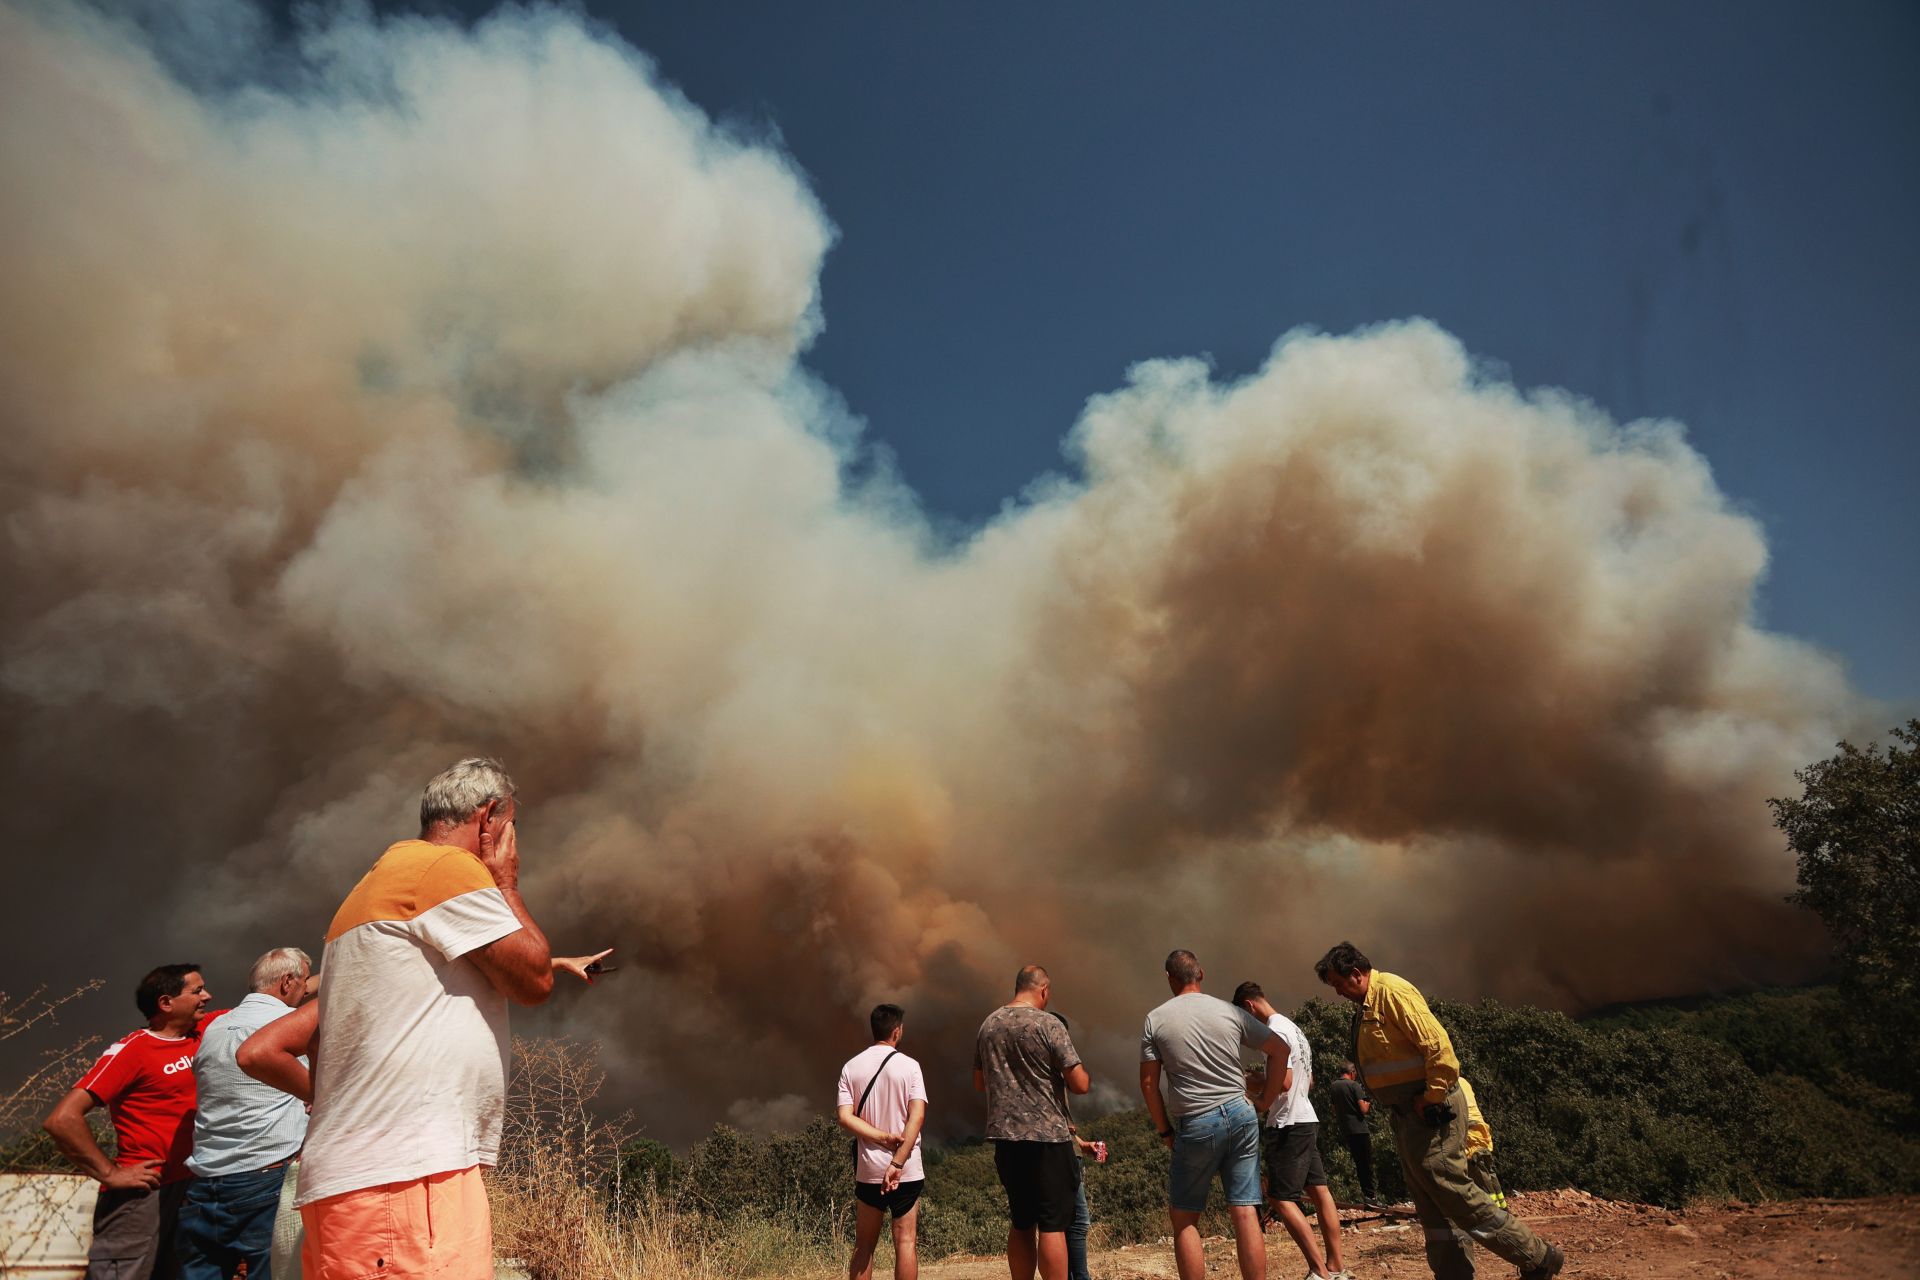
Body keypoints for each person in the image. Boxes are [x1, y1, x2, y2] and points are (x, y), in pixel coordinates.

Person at [236, 757, 608, 1280]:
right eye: (513, 826)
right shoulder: (444, 870)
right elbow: (531, 983)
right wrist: (505, 883)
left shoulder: (374, 889)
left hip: (365, 1180)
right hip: (406, 1179)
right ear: (490, 817)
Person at [1315, 942, 1564, 1280]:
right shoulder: (1367, 1004)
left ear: (1356, 974)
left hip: (1431, 1110)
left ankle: (1537, 1257)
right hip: (1408, 1115)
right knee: (1430, 1201)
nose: (1338, 992)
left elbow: (1439, 1048)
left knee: (1451, 1188)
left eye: (1339, 983)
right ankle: (1452, 1274)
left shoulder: (1392, 992)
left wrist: (1432, 1097)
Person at [42, 964, 218, 1280]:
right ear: (166, 1003)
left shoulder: (205, 1031)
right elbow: (61, 1120)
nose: (208, 996)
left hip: (189, 1190)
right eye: (197, 991)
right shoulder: (134, 1050)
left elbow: (276, 999)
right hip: (143, 1196)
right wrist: (111, 1174)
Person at [1139, 951, 1291, 1280]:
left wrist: (1165, 1132)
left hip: (1197, 1121)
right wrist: (1264, 1100)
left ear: (1169, 977)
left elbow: (1149, 1084)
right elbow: (1280, 1050)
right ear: (1201, 974)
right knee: (1245, 1211)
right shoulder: (1230, 1012)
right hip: (1241, 1113)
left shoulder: (1156, 1019)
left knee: (1184, 1218)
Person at [177, 948, 314, 1280]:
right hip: (265, 1179)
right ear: (287, 983)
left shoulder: (215, 1027)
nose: (307, 990)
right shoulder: (286, 1030)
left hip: (205, 1183)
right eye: (304, 983)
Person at [973, 965, 1091, 1280]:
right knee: (1053, 1224)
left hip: (1006, 1139)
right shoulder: (1049, 1024)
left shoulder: (989, 1024)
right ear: (1043, 990)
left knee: (1022, 1221)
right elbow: (1080, 1084)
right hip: (1049, 1139)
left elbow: (979, 1082)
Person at [1231, 982, 1350, 1280]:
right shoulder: (1294, 1029)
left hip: (1287, 1123)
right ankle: (1336, 1266)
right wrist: (1256, 1078)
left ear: (1248, 1007)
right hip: (1306, 1117)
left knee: (1281, 1199)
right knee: (1320, 1193)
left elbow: (1283, 1082)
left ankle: (1318, 1271)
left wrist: (1260, 1101)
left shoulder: (1274, 1032)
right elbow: (1304, 1082)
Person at [835, 1003, 929, 1280]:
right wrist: (897, 1159)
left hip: (869, 1170)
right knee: (906, 1243)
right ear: (897, 1032)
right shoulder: (910, 1066)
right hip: (906, 1169)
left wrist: (878, 1137)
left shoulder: (851, 1067)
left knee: (864, 1246)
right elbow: (917, 1116)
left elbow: (844, 1117)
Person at [1047, 1011, 1101, 1280]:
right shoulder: (1053, 1073)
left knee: (1060, 1224)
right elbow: (1082, 1085)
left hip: (1064, 1148)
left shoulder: (1038, 1073)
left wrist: (1081, 1143)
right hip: (1061, 1154)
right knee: (1077, 1222)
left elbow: (1061, 1122)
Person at [1328, 1062, 1382, 1209]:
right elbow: (1363, 1109)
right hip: (1360, 1129)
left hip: (1347, 1130)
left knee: (1359, 1163)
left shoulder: (1334, 1086)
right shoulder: (1354, 1086)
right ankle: (1371, 1196)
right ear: (1352, 1072)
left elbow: (1333, 1110)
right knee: (1367, 1163)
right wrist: (1369, 1100)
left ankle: (1367, 1195)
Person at [1455, 1078, 1506, 1210]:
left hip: (1470, 1131)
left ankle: (1492, 1210)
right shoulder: (1464, 1081)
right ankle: (1502, 1208)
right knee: (1488, 1170)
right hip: (1481, 1129)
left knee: (1479, 1172)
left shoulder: (1450, 1084)